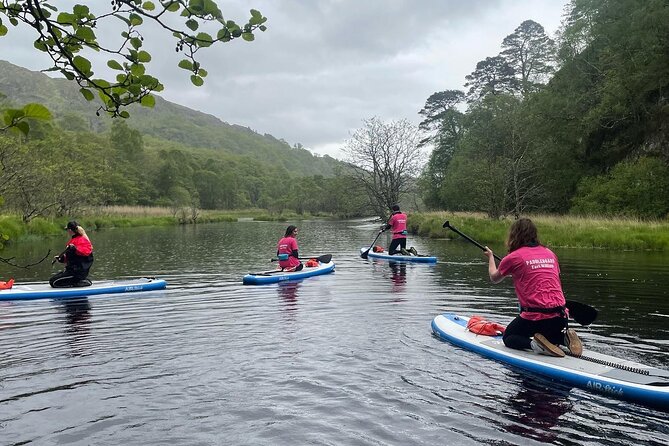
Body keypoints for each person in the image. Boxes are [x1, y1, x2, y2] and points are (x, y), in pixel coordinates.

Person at [484, 218, 582, 357]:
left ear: (514, 235)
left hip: (536, 318)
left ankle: (535, 345)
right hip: (561, 317)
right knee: (549, 336)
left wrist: (491, 258)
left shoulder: (513, 257)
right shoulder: (550, 253)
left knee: (509, 337)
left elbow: (494, 278)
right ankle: (564, 338)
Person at [50, 220, 94, 288]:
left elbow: (86, 252)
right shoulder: (72, 241)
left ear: (70, 230)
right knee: (52, 281)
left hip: (78, 272)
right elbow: (70, 257)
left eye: (67, 229)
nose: (67, 231)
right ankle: (75, 282)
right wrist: (61, 259)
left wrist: (75, 249)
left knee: (54, 283)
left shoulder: (83, 240)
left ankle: (83, 282)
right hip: (71, 270)